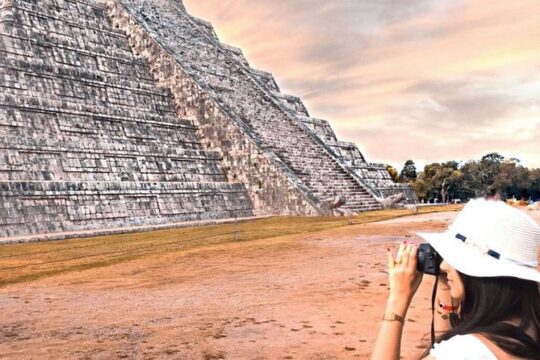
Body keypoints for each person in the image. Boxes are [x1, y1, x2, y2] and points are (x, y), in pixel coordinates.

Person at [371, 198, 540, 359]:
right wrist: (446, 283)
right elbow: (443, 342)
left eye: (455, 259)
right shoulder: (526, 325)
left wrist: (398, 298)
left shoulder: (468, 351)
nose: (444, 266)